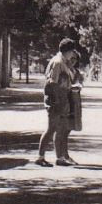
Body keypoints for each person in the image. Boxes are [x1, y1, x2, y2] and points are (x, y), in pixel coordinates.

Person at [38, 39, 80, 167]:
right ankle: (40, 157)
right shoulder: (57, 62)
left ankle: (60, 158)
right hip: (56, 98)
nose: (73, 54)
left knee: (60, 128)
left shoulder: (62, 61)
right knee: (51, 128)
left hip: (61, 98)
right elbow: (52, 82)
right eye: (72, 51)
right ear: (68, 51)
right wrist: (56, 100)